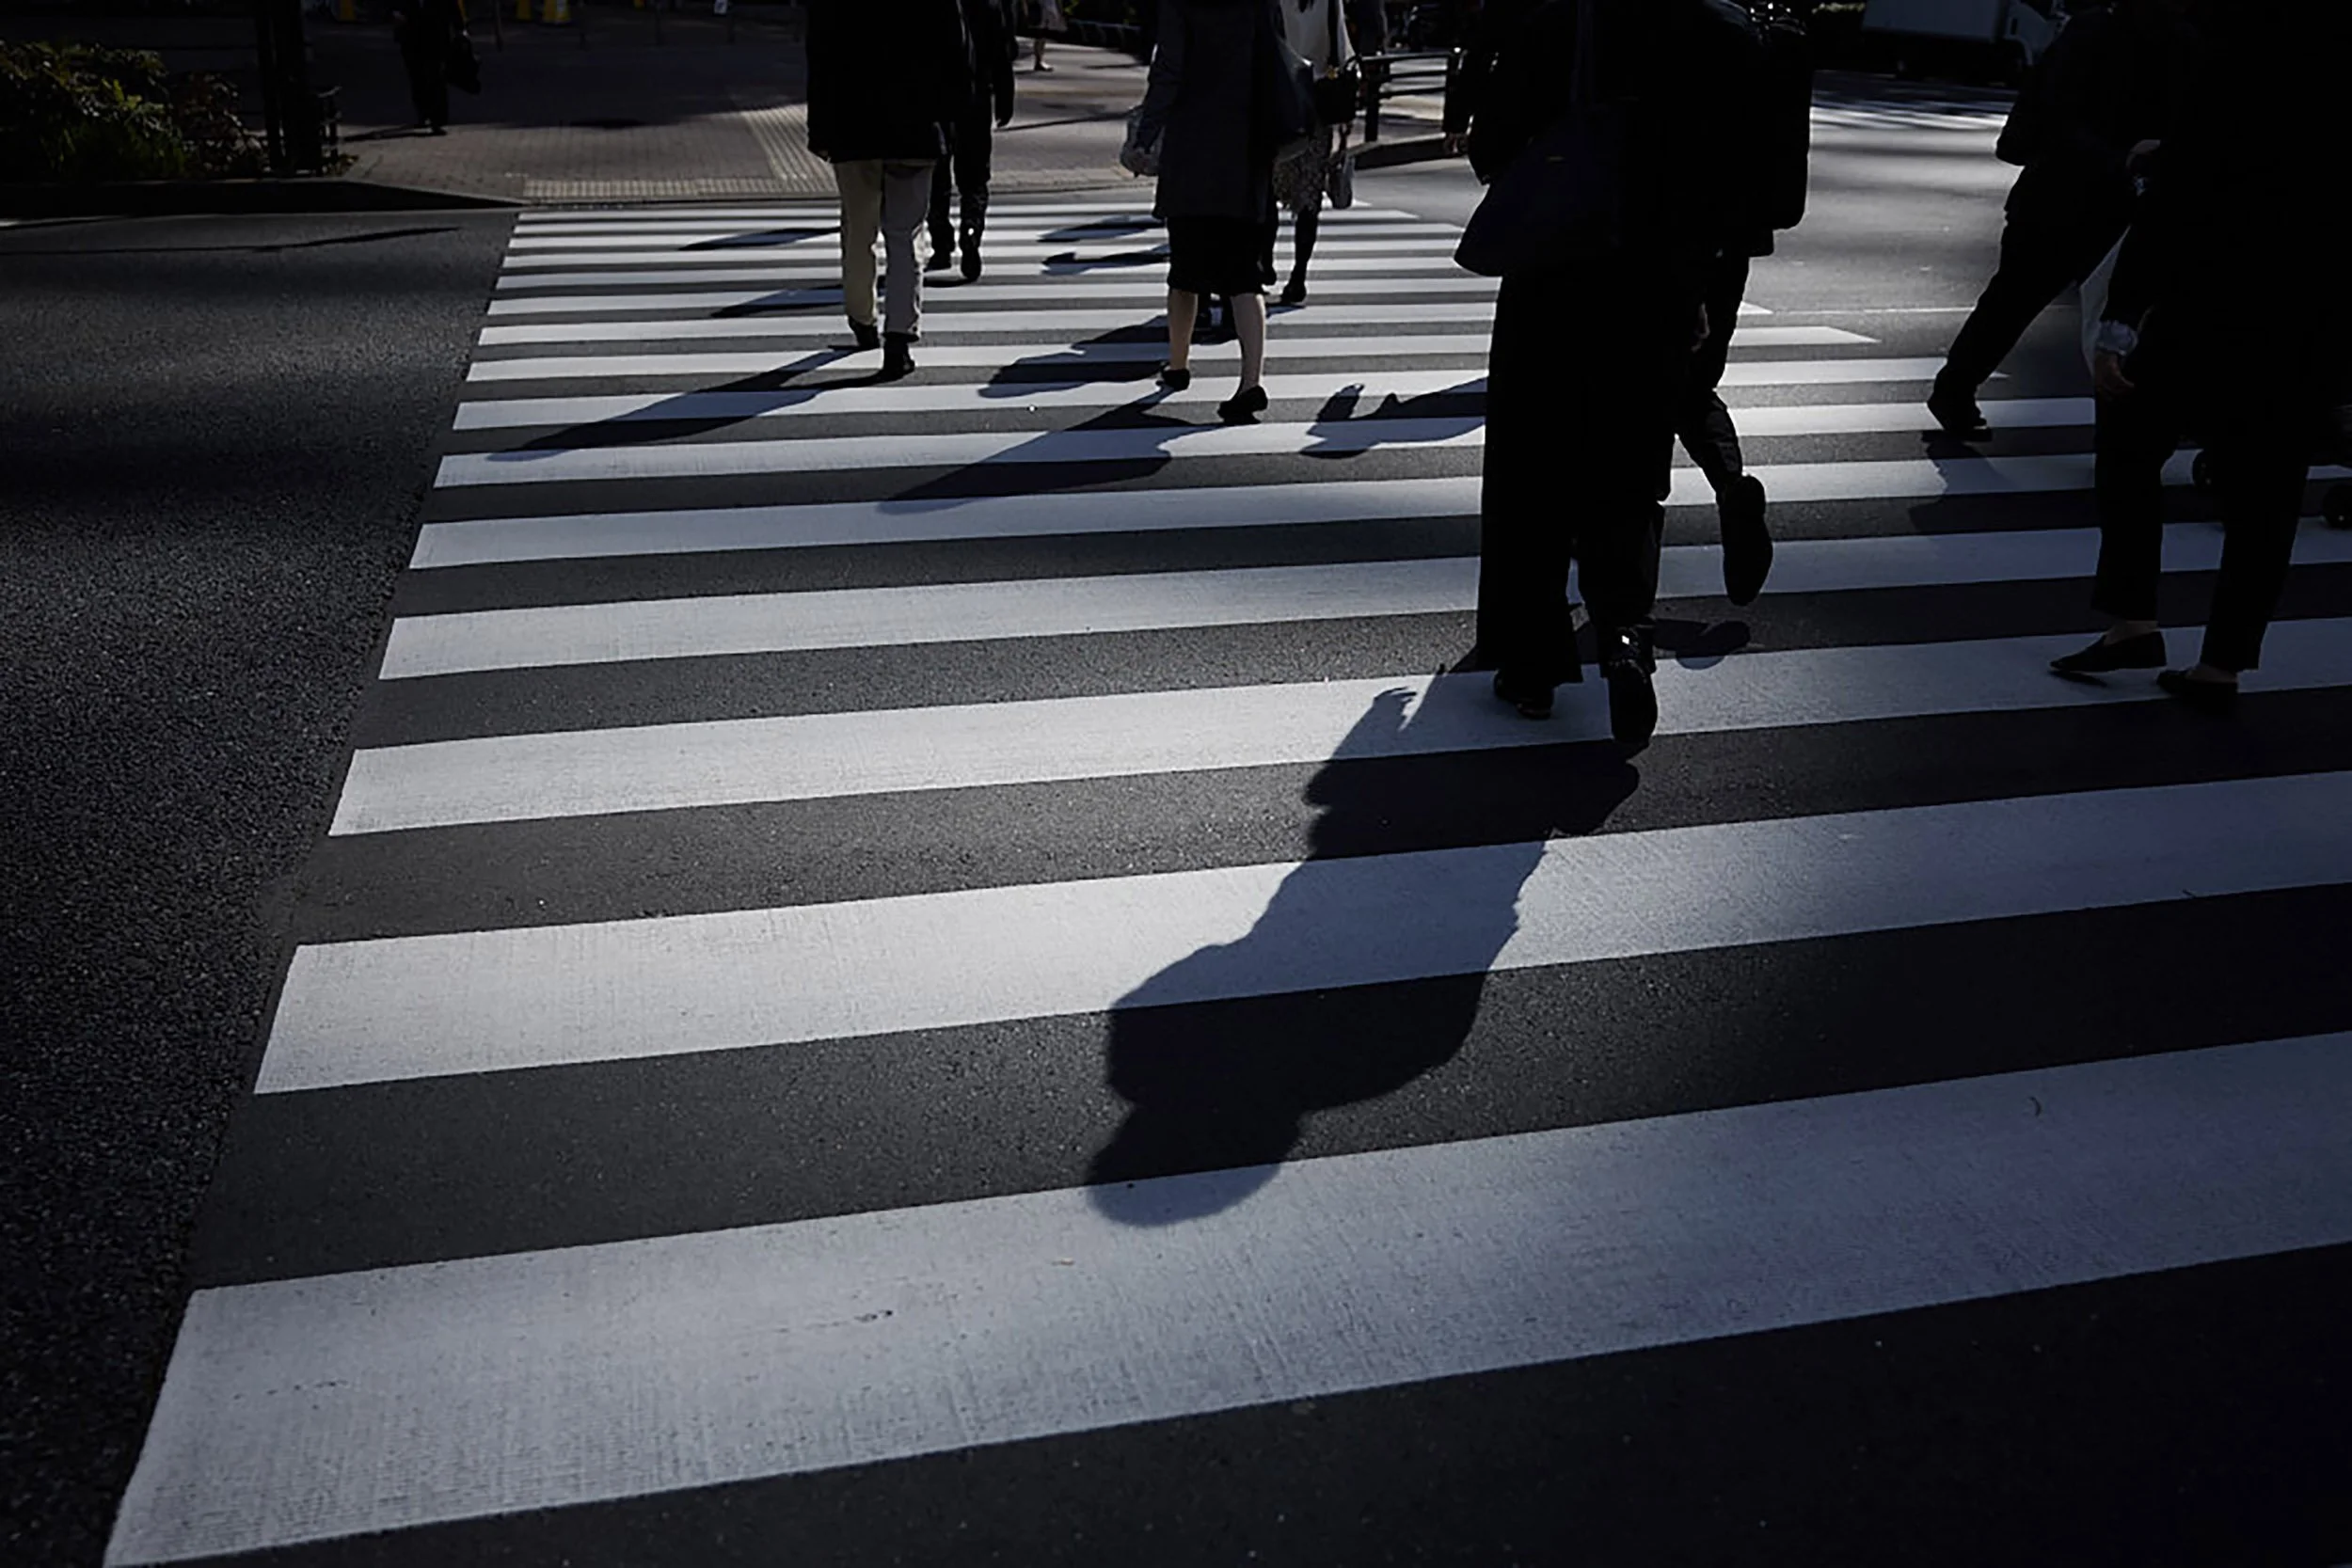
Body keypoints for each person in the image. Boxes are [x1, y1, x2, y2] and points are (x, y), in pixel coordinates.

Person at [1461, 0, 1760, 746]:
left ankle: (1532, 665)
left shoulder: (1559, 16)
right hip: (1656, 280)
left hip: (1553, 272)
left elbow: (1492, 143)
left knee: (1535, 468)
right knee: (1629, 470)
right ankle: (1626, 635)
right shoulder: (1712, 27)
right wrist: (1695, 290)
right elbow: (1722, 179)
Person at [2048, 0, 2349, 710]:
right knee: (2268, 498)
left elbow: (2178, 201)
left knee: (2127, 442)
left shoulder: (2237, 67)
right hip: (2306, 321)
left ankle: (2134, 620)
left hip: (2210, 303)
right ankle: (2223, 662)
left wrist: (2121, 318)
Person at [1927, 0, 2198, 438]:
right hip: (2082, 195)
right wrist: (2125, 161)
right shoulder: (2161, 40)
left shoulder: (2107, 33)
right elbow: (2059, 118)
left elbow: (2052, 114)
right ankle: (1958, 387)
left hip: (2075, 194)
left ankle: (1956, 388)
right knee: (2051, 306)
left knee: (2018, 302)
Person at [1669, 0, 1813, 607]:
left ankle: (1608, 548)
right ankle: (1732, 487)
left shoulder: (1685, 25)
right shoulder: (1771, 28)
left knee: (1630, 386)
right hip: (1739, 234)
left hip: (1670, 233)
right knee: (1691, 380)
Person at [1131, 0, 1289, 424]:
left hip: (1194, 149)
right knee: (1244, 275)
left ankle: (1178, 365)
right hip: (1248, 150)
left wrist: (1144, 137)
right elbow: (1277, 62)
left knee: (1184, 270)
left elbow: (1169, 71)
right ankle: (1250, 383)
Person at [806, 0, 974, 379]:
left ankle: (863, 319)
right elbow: (959, 55)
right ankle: (898, 338)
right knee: (906, 234)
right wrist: (953, 123)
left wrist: (819, 130)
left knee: (858, 229)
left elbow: (820, 57)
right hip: (916, 127)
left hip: (852, 127)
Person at [1270, 0, 1356, 306]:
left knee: (1267, 184)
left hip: (1276, 98)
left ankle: (1263, 263)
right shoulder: (1330, 2)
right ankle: (1298, 275)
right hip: (1318, 102)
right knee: (1309, 193)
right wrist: (1347, 118)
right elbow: (1343, 55)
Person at [930, 0, 1018, 282]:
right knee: (975, 177)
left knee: (937, 177)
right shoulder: (990, 4)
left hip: (938, 101)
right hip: (977, 97)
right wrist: (1005, 96)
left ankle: (941, 244)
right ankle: (971, 229)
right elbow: (1004, 52)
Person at [389, 0, 463, 135]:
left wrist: (460, 28)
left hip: (436, 35)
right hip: (411, 35)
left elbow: (451, 4)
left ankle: (437, 121)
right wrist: (394, 13)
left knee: (436, 77)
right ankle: (423, 113)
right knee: (417, 77)